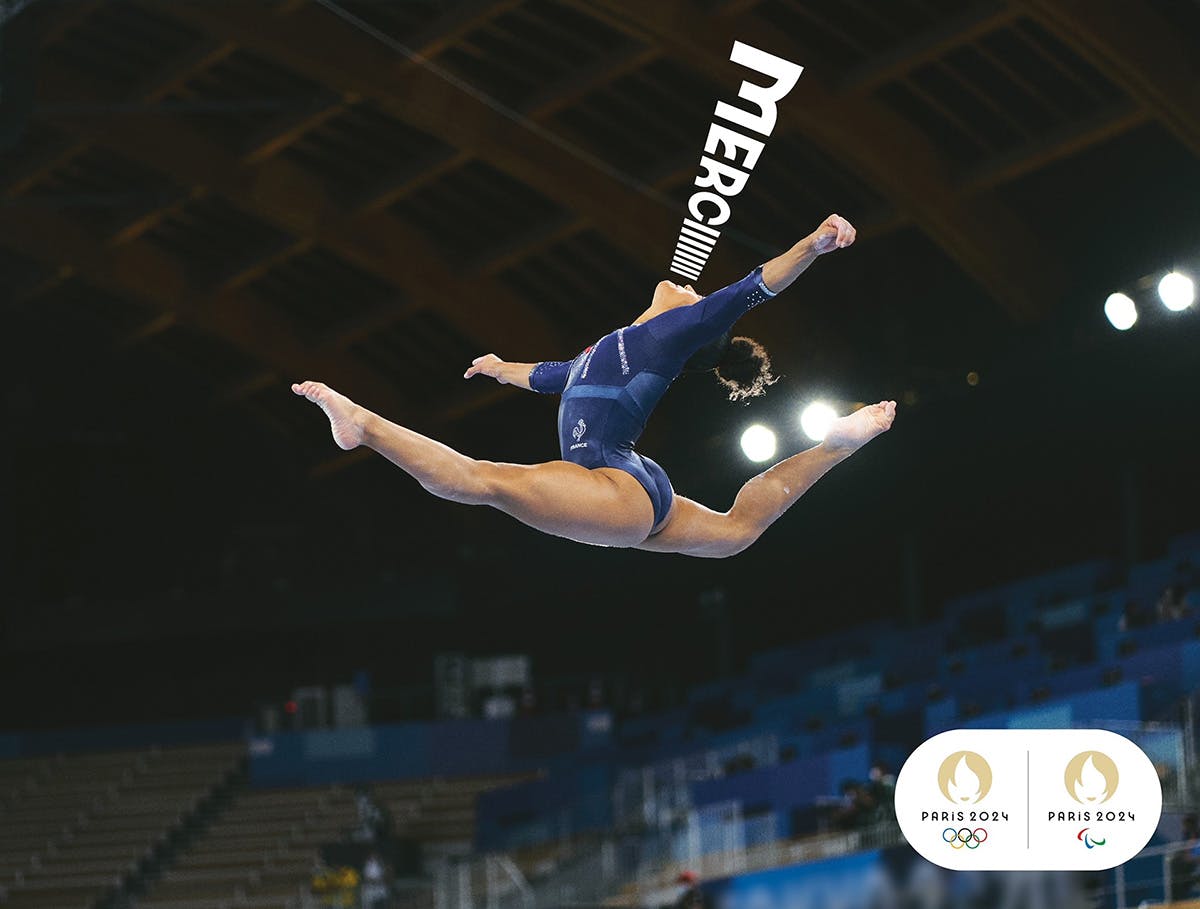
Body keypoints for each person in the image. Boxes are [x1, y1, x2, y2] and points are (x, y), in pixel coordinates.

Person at [294, 214, 896, 556]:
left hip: (609, 481)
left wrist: (813, 245)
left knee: (484, 481)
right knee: (736, 533)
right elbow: (556, 376)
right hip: (625, 485)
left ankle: (364, 424)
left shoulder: (674, 332)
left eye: (691, 295)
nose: (686, 286)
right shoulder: (610, 347)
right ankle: (835, 447)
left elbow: (753, 286)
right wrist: (503, 368)